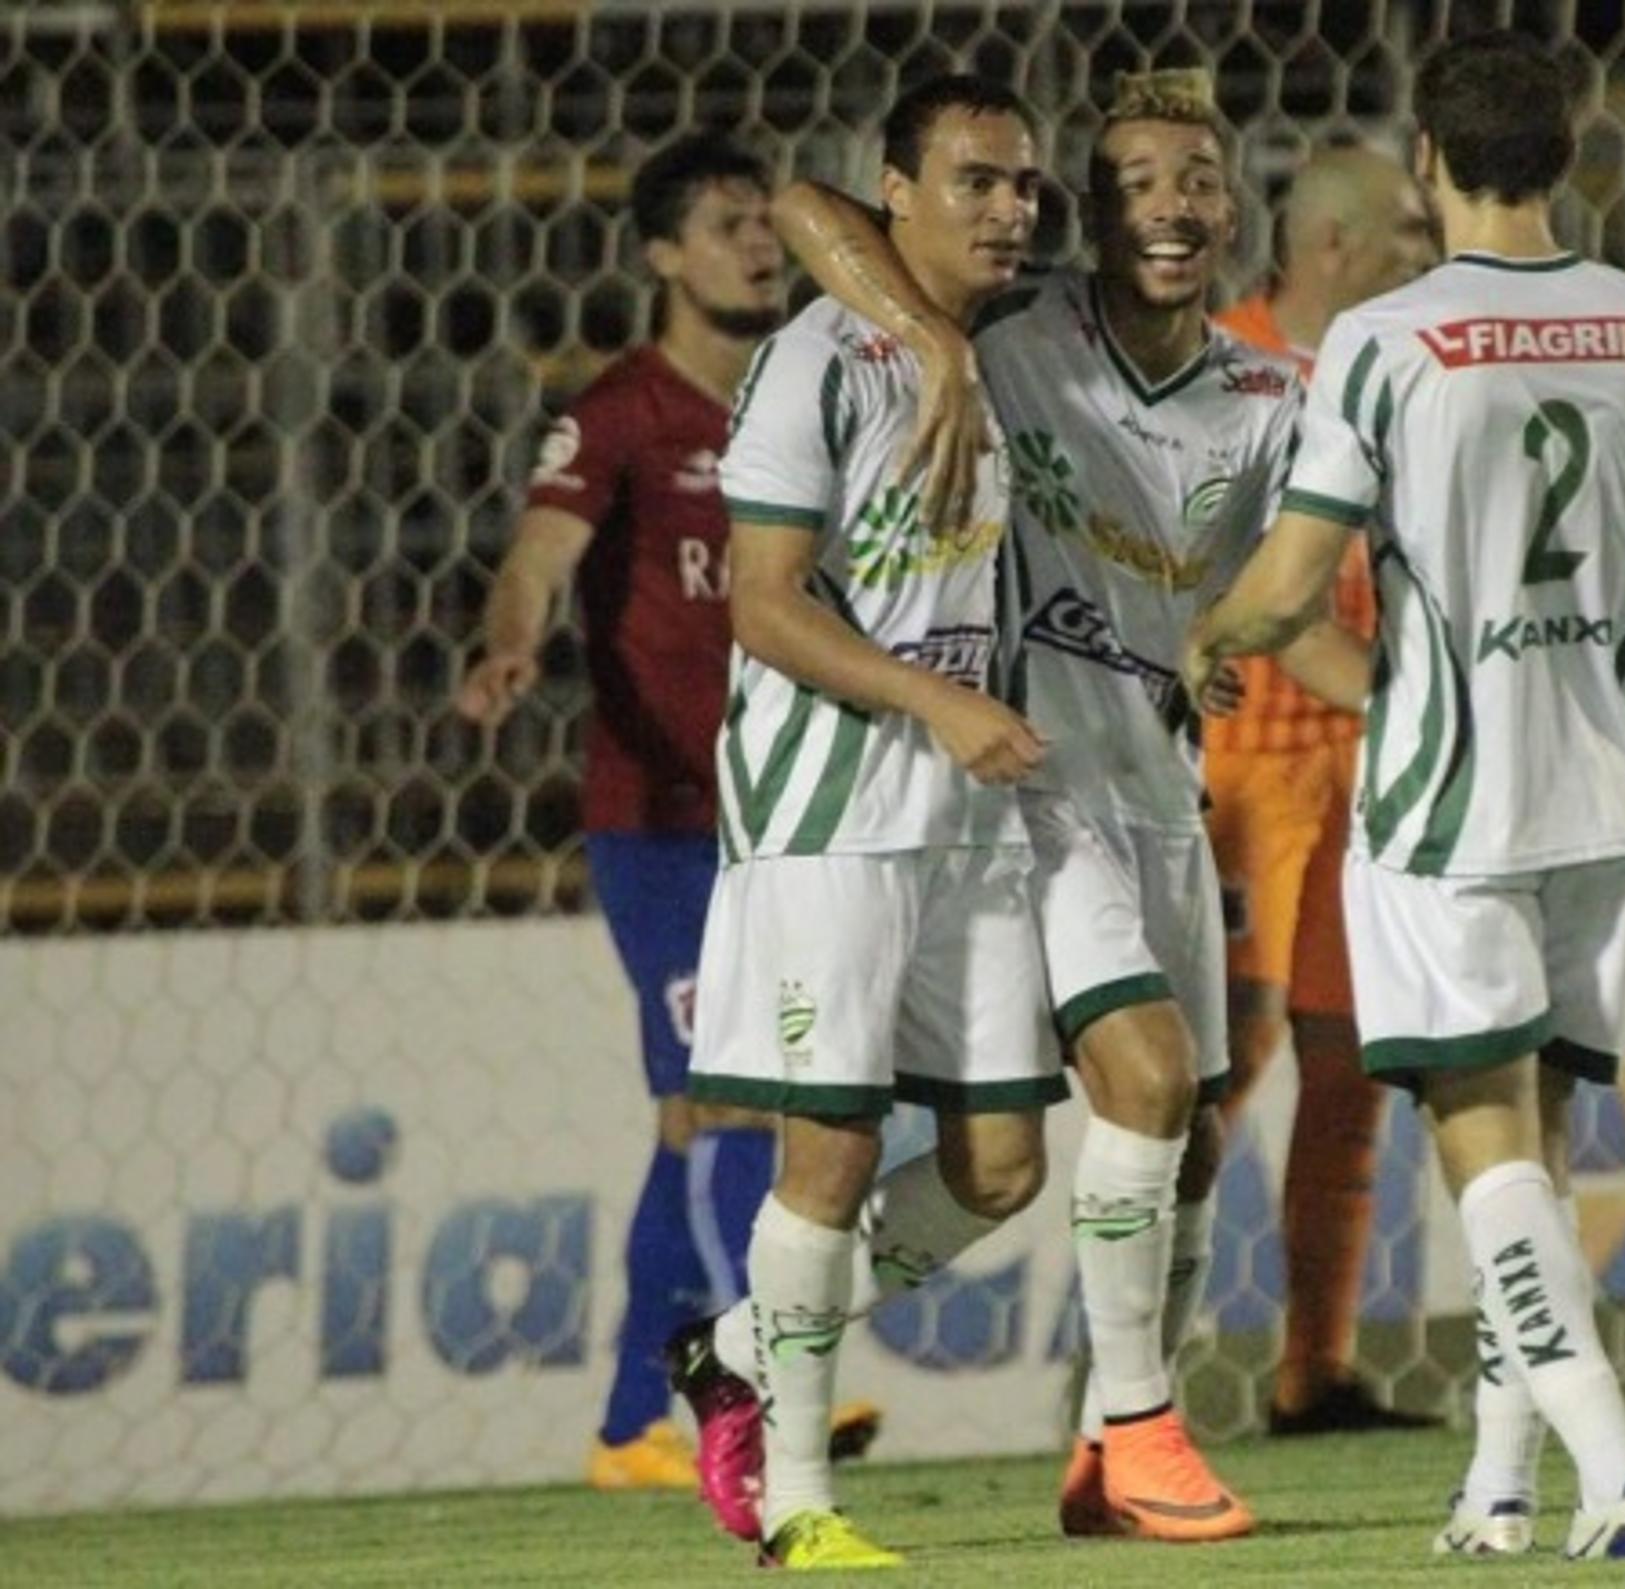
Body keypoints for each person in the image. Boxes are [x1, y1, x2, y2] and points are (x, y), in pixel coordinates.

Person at [772, 68, 1369, 1543]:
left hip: (1159, 785)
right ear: (1088, 219)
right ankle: (1142, 1424)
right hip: (1030, 787)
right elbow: (805, 203)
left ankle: (748, 1354)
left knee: (1175, 1139)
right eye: (1137, 185)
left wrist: (1352, 688)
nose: (1173, 206)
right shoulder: (1010, 341)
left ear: (1234, 209)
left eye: (1199, 180)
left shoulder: (1267, 398)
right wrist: (933, 340)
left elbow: (1270, 600)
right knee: (1153, 1083)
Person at [1187, 30, 1625, 1562]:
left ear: (1431, 159)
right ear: (1569, 148)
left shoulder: (1385, 339)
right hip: (1599, 784)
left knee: (1480, 1146)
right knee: (1538, 1150)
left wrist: (1209, 633)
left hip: (1443, 793)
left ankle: (1618, 1477)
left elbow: (1290, 587)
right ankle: (1499, 1483)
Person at [456, 139, 889, 1493]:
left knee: (705, 1116)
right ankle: (740, 1383)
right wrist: (510, 641)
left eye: (768, 222)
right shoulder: (623, 412)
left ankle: (629, 1423)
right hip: (660, 825)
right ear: (661, 256)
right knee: (719, 1099)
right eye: (724, 225)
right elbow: (538, 556)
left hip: (794, 816)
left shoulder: (803, 399)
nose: (759, 244)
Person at [673, 74, 1063, 1571]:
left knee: (1002, 1162)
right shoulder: (813, 361)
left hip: (959, 809)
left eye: (1021, 183)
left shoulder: (1003, 344)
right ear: (893, 193)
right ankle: (795, 1509)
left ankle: (738, 1349)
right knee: (826, 1155)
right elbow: (765, 610)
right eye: (973, 181)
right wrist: (936, 701)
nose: (1009, 208)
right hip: (832, 799)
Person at [1206, 144, 1442, 1436]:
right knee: (1219, 1065)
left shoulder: (1397, 375)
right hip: (1242, 761)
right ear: (1338, 247)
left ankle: (1317, 1372)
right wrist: (1411, 701)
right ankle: (1127, 1378)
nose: (1429, 247)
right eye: (1410, 230)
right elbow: (1256, 597)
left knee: (1352, 1068)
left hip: (1359, 765)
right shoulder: (1224, 369)